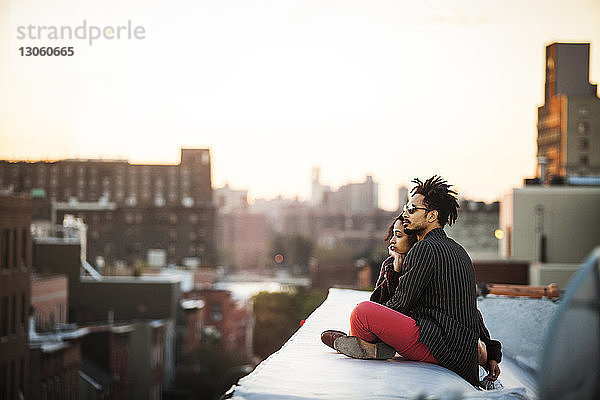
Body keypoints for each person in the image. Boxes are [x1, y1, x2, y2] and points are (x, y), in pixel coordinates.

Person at [326, 176, 481, 386]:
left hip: (438, 346)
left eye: (412, 209)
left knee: (362, 313)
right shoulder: (459, 250)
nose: (406, 213)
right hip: (462, 353)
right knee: (369, 315)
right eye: (406, 206)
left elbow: (400, 305)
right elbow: (473, 311)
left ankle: (367, 344)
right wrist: (492, 352)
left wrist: (395, 273)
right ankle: (367, 345)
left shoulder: (424, 249)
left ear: (432, 216)